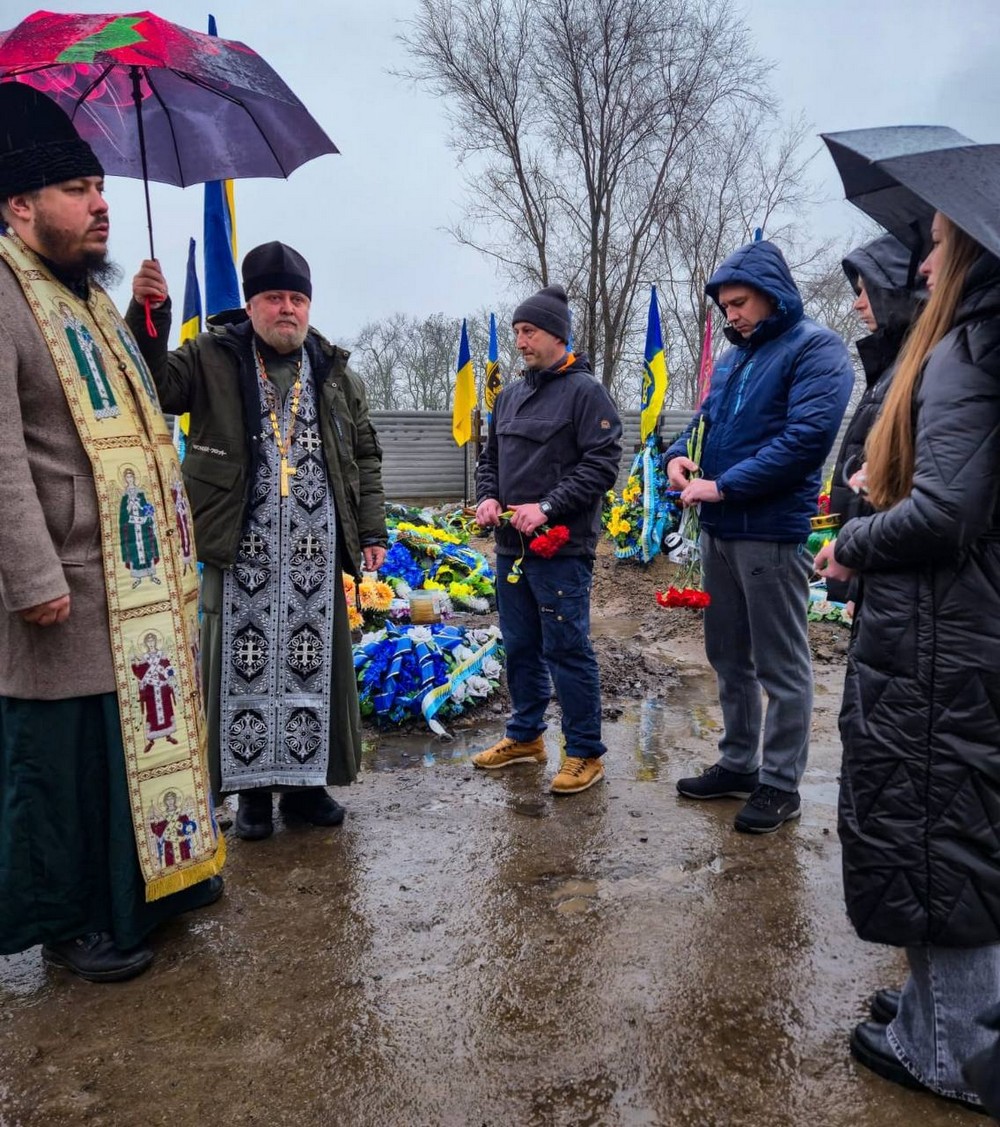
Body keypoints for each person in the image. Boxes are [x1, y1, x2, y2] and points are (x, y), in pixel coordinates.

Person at [0, 84, 224, 983]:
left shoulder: (84, 301)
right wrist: (28, 573)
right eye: (77, 189)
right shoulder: (9, 297)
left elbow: (123, 411)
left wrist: (144, 322)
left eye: (100, 187)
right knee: (70, 771)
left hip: (135, 591)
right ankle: (75, 923)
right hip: (63, 586)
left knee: (136, 756)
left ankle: (148, 897)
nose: (100, 203)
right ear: (20, 206)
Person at [815, 209, 1000, 1115]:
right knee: (951, 832)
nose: (920, 256)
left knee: (941, 844)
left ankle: (950, 1053)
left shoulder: (968, 349)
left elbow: (945, 514)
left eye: (934, 239)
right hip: (959, 631)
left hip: (942, 638)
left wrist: (856, 540)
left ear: (967, 247)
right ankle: (939, 1013)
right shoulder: (979, 341)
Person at [129, 243, 387, 841]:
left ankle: (304, 788)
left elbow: (364, 454)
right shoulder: (212, 356)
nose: (288, 309)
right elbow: (154, 385)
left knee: (311, 666)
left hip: (313, 553)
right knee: (238, 667)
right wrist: (151, 316)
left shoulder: (333, 368)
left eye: (298, 298)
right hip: (239, 541)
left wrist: (371, 530)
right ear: (252, 303)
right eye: (275, 297)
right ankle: (248, 795)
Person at [664, 240, 853, 832]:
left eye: (740, 303)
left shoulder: (816, 350)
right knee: (727, 655)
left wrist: (722, 488)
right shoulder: (734, 359)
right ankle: (739, 762)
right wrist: (676, 456)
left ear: (774, 296)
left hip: (769, 531)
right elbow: (705, 424)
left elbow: (806, 440)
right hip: (720, 532)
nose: (732, 316)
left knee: (780, 663)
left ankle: (779, 783)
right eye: (724, 306)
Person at [472, 284, 622, 795]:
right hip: (511, 549)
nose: (520, 342)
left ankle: (583, 752)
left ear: (558, 334)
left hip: (561, 549)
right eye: (516, 332)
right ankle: (527, 738)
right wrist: (490, 499)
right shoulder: (510, 396)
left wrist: (548, 507)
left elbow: (602, 465)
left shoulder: (586, 393)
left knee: (567, 649)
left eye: (529, 331)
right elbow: (489, 460)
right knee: (520, 646)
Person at [825, 234, 923, 610]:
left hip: (888, 573)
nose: (856, 304)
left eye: (867, 291)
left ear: (895, 290)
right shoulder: (890, 367)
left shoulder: (915, 369)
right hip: (873, 569)